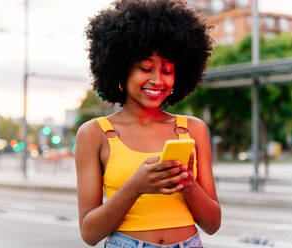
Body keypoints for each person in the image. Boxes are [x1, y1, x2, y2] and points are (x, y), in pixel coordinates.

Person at [75, 0, 221, 247]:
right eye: (145, 68)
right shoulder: (94, 134)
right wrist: (136, 187)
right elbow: (90, 233)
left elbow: (213, 224)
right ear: (121, 71)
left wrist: (188, 184)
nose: (157, 80)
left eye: (167, 70)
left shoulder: (193, 129)